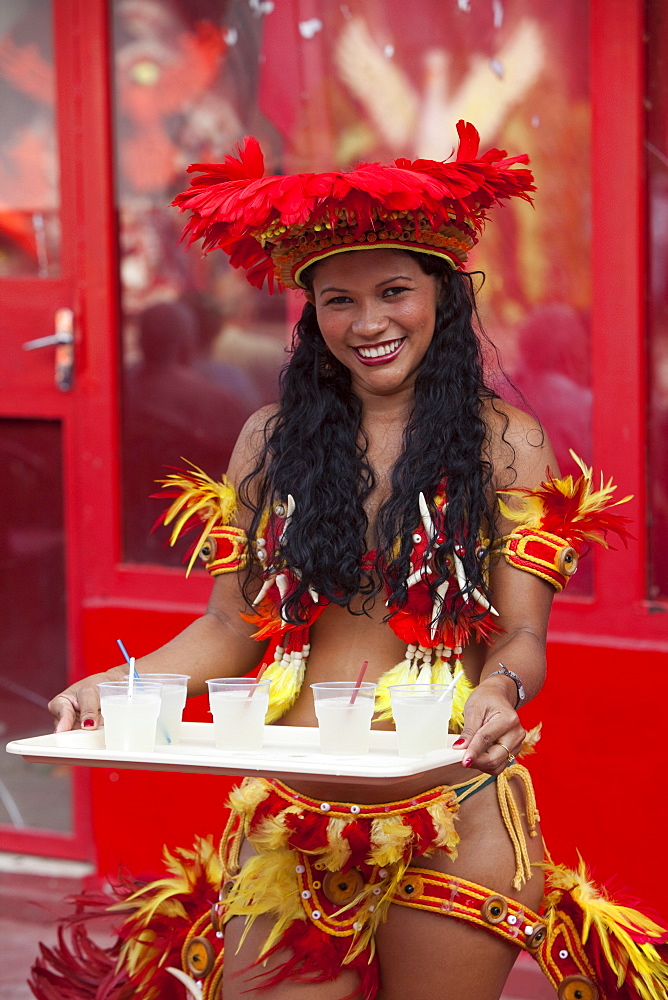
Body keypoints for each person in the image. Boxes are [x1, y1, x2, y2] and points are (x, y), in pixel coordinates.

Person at [38, 123, 667, 1000]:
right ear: (312, 313)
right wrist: (117, 687)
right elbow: (229, 623)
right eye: (339, 300)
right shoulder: (269, 441)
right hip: (291, 819)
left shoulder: (506, 444)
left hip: (456, 818)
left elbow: (523, 637)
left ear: (442, 296)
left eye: (395, 291)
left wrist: (499, 692)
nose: (370, 322)